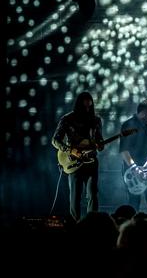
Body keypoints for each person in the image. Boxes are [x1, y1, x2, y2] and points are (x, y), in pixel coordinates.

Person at [52, 91, 104, 222]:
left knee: (93, 194)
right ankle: (75, 226)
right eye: (84, 105)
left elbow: (100, 140)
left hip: (91, 161)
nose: (87, 108)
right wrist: (70, 150)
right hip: (74, 162)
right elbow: (55, 140)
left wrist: (100, 145)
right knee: (75, 196)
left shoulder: (96, 120)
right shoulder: (68, 118)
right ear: (78, 105)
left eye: (89, 105)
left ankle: (92, 225)